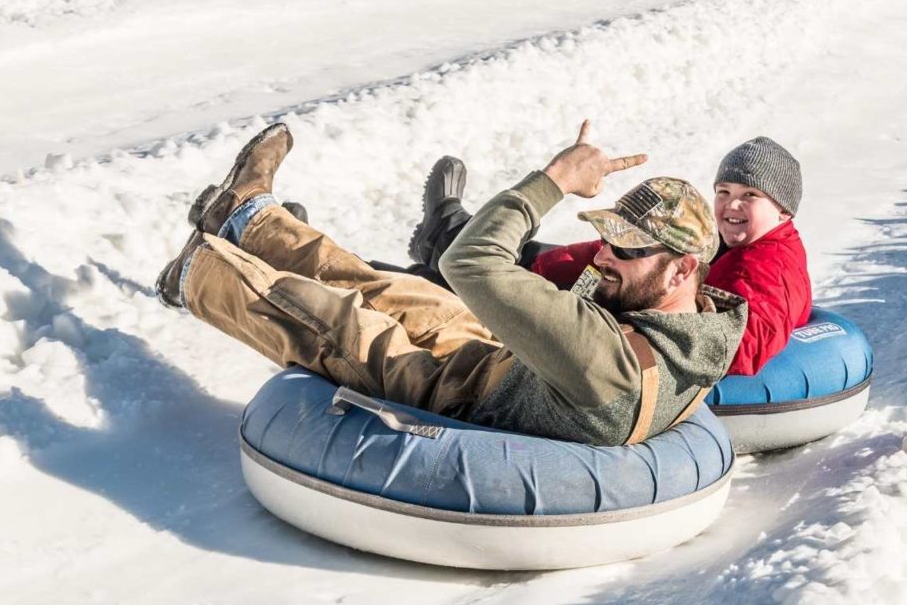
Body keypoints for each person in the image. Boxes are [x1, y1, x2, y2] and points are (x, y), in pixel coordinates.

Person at [155, 120, 747, 447]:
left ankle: (195, 274)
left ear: (680, 268)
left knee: (335, 321)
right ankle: (245, 214)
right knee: (384, 287)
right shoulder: (698, 324)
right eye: (608, 240)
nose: (606, 256)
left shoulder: (602, 354)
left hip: (461, 398)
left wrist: (555, 181)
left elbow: (469, 260)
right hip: (512, 366)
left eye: (627, 248)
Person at [407, 136, 811, 376]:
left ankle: (445, 245)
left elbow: (742, 348)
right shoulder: (746, 244)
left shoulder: (768, 265)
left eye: (749, 196)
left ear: (783, 210)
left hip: (633, 345)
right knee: (581, 258)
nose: (730, 205)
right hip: (635, 305)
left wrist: (630, 327)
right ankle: (448, 243)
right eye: (724, 192)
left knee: (522, 283)